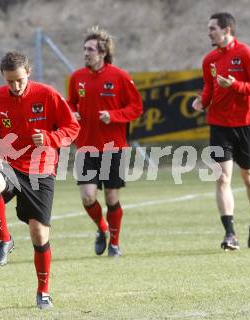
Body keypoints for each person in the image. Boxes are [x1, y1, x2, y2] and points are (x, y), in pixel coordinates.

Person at [0, 51, 79, 309]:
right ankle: (5, 239)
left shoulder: (47, 95)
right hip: (9, 165)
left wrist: (50, 138)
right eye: (9, 81)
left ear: (28, 72)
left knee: (39, 234)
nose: (15, 86)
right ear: (3, 77)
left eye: (19, 80)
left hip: (41, 169)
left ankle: (43, 291)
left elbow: (72, 128)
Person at [192, 12, 250, 250]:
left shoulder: (245, 53)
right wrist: (201, 102)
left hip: (245, 124)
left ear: (227, 30)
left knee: (249, 178)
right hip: (219, 125)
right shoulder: (209, 60)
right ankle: (230, 234)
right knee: (222, 178)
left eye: (213, 28)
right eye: (209, 28)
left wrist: (235, 85)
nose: (209, 32)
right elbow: (209, 87)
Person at [67, 26, 143, 257]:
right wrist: (72, 113)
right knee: (88, 196)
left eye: (90, 49)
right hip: (86, 147)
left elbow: (136, 107)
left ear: (102, 53)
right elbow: (69, 103)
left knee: (111, 197)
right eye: (84, 49)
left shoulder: (119, 76)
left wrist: (114, 116)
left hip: (114, 147)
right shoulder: (77, 77)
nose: (86, 53)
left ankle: (115, 244)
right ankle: (102, 228)